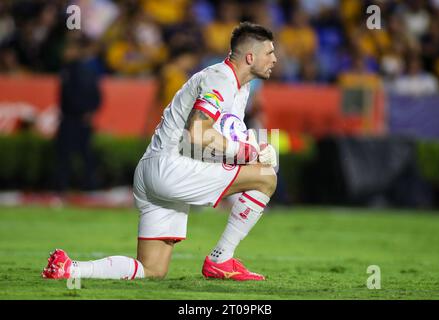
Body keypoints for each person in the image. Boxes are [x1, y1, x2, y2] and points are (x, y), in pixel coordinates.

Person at [42, 22, 278, 281]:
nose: (275, 59)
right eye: (270, 53)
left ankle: (70, 268)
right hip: (172, 168)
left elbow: (222, 138)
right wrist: (247, 153)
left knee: (152, 270)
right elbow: (198, 133)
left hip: (153, 170)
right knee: (266, 177)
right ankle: (221, 259)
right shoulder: (221, 78)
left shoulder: (238, 87)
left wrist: (257, 148)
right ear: (250, 57)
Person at [54, 34, 101, 192]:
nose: (65, 52)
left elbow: (94, 94)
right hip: (72, 117)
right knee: (75, 154)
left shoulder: (81, 70)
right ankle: (75, 185)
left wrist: (87, 111)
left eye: (69, 49)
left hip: (76, 118)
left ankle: (82, 186)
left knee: (77, 154)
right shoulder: (69, 69)